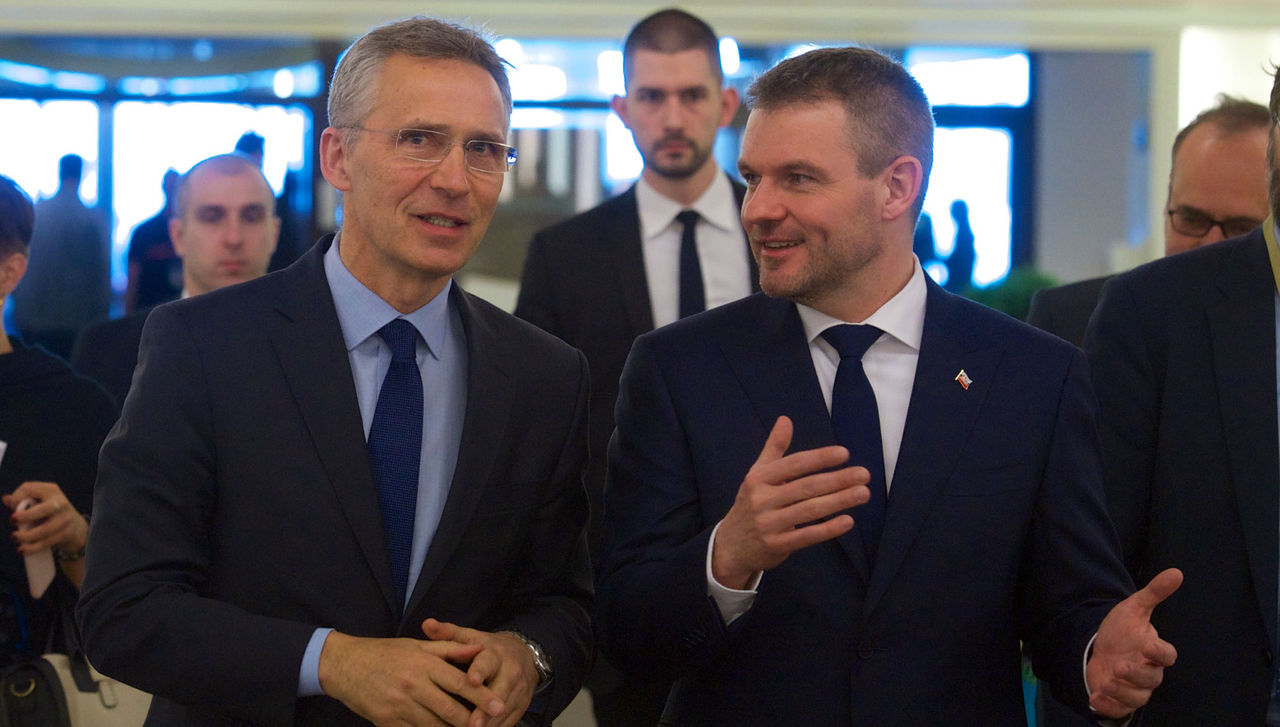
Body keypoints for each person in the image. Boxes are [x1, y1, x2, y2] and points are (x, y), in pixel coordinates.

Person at [596, 46, 1181, 725]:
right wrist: (727, 557)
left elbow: (1067, 605)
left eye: (798, 178)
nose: (757, 208)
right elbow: (625, 630)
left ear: (898, 187)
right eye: (753, 177)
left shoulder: (1032, 376)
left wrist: (1096, 655)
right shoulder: (679, 369)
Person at [77, 17, 592, 727]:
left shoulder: (544, 375)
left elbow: (566, 605)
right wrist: (330, 661)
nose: (454, 179)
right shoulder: (203, 346)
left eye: (483, 149)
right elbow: (124, 609)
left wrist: (527, 654)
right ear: (337, 157)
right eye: (419, 139)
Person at [513, 8, 752, 724]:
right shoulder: (564, 255)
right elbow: (536, 436)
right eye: (651, 97)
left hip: (778, 589)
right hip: (622, 601)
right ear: (622, 109)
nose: (672, 118)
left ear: (726, 104)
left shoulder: (780, 234)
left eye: (691, 96)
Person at [1084, 67, 1280, 724]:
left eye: (1236, 224)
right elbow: (1089, 576)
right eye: (1191, 218)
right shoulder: (1146, 311)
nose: (1209, 241)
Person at [1028, 96, 1271, 346]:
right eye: (1192, 219)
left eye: (1241, 228)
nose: (1211, 244)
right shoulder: (1069, 322)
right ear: (1167, 204)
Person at [0, 173, 116, 668]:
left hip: (28, 683)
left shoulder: (74, 410)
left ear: (9, 273)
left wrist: (75, 540)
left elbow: (129, 603)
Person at [72, 153, 280, 407]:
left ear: (274, 233)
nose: (233, 238)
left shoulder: (311, 343)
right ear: (178, 235)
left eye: (251, 216)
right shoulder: (105, 350)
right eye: (212, 217)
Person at [9, 154, 110, 359]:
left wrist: (20, 312)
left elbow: (23, 263)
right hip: (76, 320)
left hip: (35, 319)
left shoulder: (38, 213)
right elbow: (100, 275)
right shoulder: (92, 219)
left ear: (60, 173)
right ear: (80, 175)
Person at [125, 169, 183, 313]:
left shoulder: (192, 231)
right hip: (148, 310)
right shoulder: (144, 232)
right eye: (170, 185)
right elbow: (133, 277)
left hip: (183, 310)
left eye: (175, 185)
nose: (172, 190)